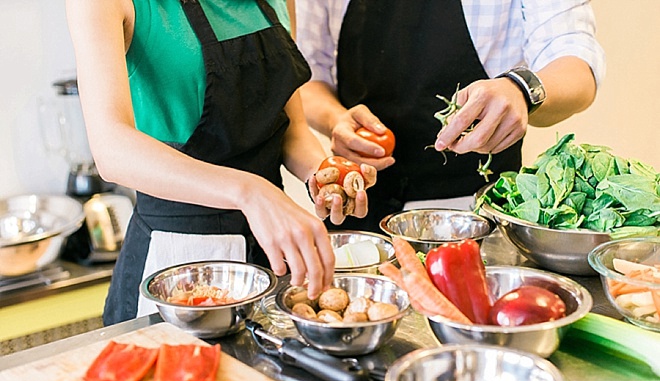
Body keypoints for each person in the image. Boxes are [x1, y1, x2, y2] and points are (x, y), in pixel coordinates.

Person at [65, 0, 376, 325]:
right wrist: (251, 193)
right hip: (176, 268)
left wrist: (324, 174)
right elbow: (111, 149)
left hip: (273, 262)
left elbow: (291, 129)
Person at [295, 0, 606, 232]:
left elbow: (576, 65)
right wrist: (337, 120)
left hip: (474, 212)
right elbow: (309, 76)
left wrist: (521, 90)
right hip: (356, 206)